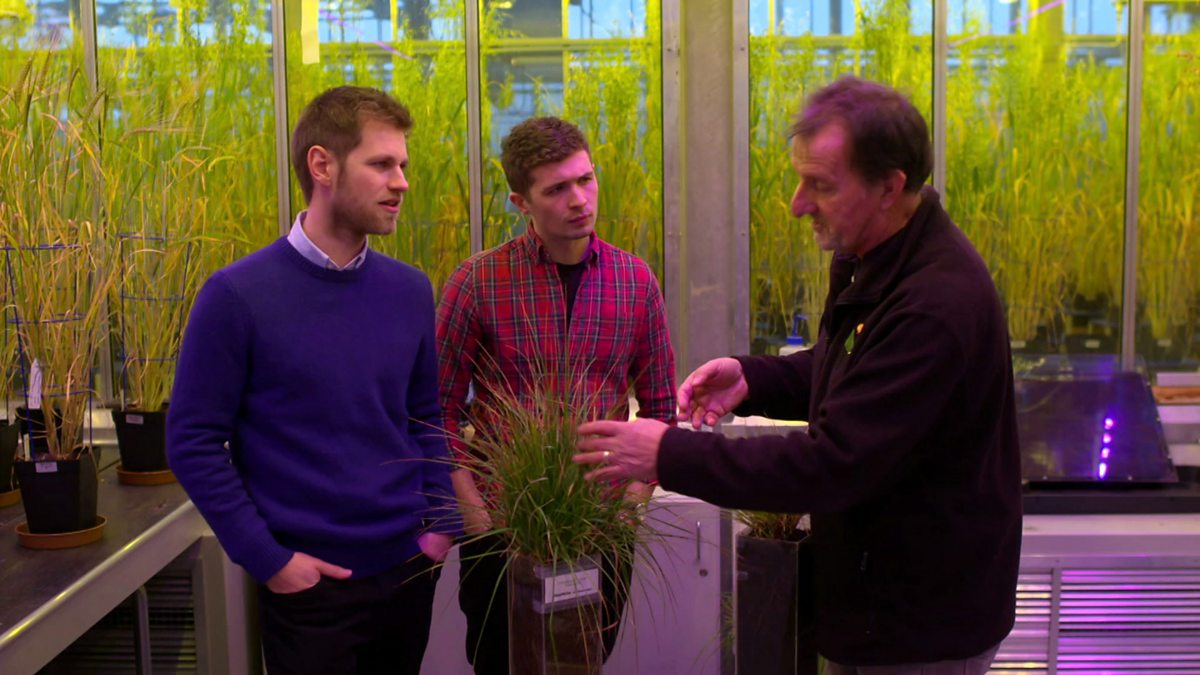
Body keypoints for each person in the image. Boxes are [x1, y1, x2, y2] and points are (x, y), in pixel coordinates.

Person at [574, 77, 1021, 673]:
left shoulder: (935, 305)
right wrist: (754, 379)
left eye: (822, 185)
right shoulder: (875, 255)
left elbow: (832, 466)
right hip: (876, 602)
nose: (797, 203)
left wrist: (667, 454)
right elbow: (857, 368)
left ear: (889, 187)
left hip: (922, 627)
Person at [167, 86, 460, 675]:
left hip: (407, 570)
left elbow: (424, 416)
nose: (401, 182)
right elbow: (191, 440)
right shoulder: (236, 296)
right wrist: (269, 560)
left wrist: (441, 526)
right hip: (308, 588)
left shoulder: (409, 290)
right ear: (322, 166)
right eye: (382, 164)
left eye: (403, 165)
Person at [436, 116, 676, 674]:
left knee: (583, 662)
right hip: (503, 528)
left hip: (601, 526)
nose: (579, 200)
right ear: (521, 201)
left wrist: (627, 512)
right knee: (500, 662)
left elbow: (663, 411)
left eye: (586, 179)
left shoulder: (635, 281)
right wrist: (478, 520)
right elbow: (436, 412)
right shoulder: (477, 281)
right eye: (557, 189)